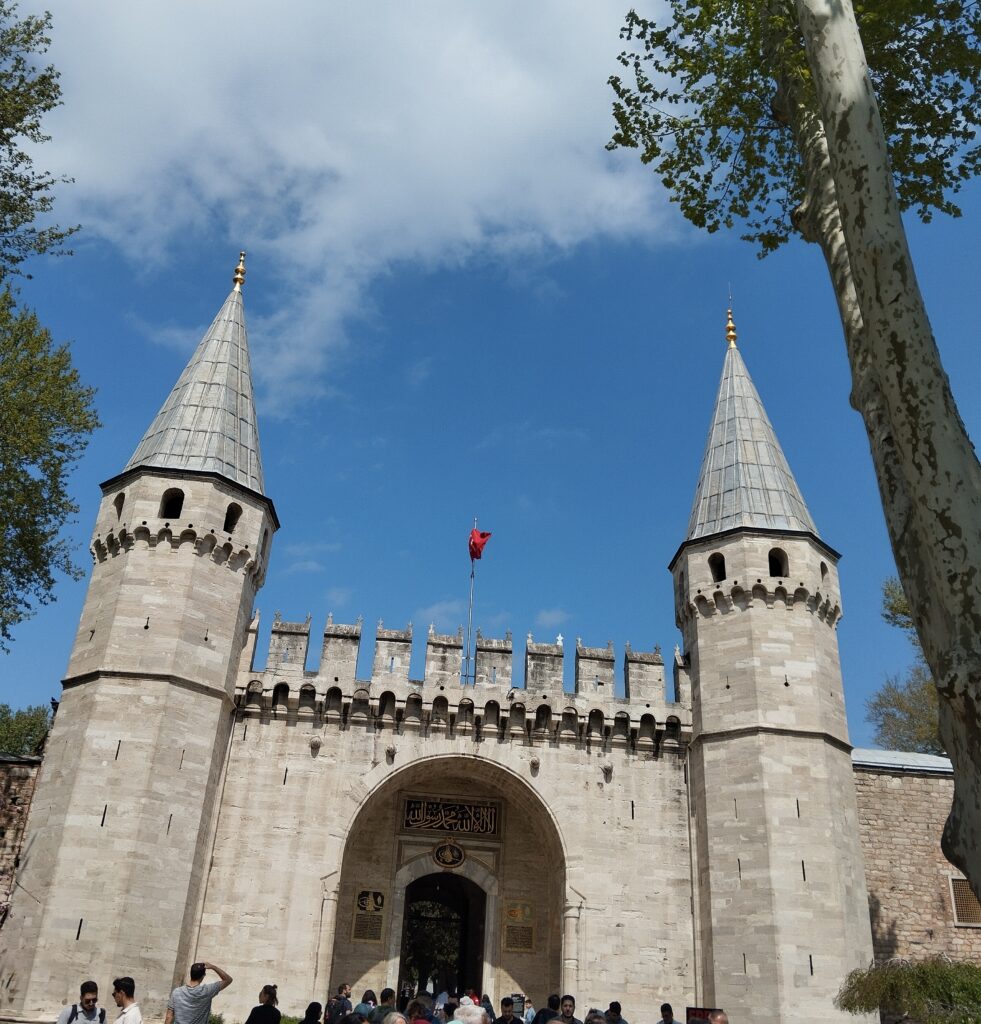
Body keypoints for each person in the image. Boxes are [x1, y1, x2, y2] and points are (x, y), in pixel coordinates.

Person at [165, 961, 232, 1024]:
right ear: (203, 975)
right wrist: (213, 967)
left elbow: (169, 1017)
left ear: (191, 973)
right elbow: (228, 980)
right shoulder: (207, 991)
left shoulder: (176, 992)